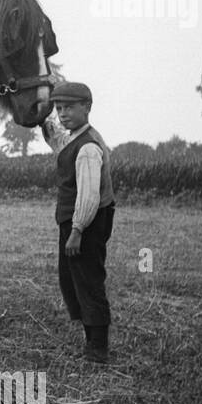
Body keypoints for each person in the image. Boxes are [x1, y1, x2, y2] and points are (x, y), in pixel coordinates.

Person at [41, 82, 116, 362]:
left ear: (87, 107)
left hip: (86, 224)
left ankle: (98, 348)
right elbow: (58, 142)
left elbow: (89, 196)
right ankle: (91, 340)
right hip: (77, 224)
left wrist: (77, 231)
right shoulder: (76, 138)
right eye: (59, 108)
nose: (63, 114)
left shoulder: (87, 149)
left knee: (88, 281)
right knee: (73, 280)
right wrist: (42, 120)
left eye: (69, 107)